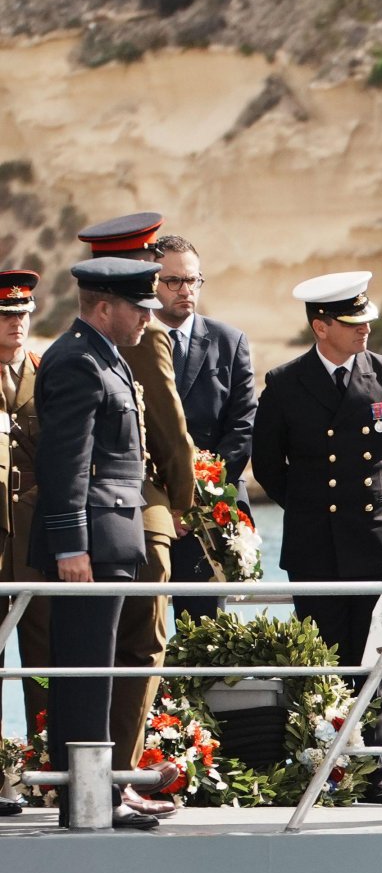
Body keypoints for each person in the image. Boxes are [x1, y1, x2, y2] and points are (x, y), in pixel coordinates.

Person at [251, 270, 382, 805]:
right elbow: (269, 467)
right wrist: (313, 510)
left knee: (375, 663)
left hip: (377, 544)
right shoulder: (284, 382)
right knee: (321, 661)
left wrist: (372, 507)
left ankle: (372, 773)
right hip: (316, 546)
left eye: (366, 320)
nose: (365, 330)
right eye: (352, 323)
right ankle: (323, 769)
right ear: (320, 326)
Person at [30, 257, 166, 831]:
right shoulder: (77, 361)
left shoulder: (105, 356)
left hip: (110, 539)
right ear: (104, 307)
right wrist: (70, 547)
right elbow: (68, 464)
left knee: (94, 669)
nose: (145, 320)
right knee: (86, 671)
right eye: (138, 308)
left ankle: (92, 791)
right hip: (90, 545)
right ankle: (89, 800)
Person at [77, 213, 194, 810]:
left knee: (86, 653)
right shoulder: (142, 332)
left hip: (93, 515)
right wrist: (185, 499)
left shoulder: (82, 334)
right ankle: (114, 777)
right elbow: (169, 432)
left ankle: (85, 779)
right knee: (140, 645)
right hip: (137, 509)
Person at [154, 232, 257, 622]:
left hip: (210, 510)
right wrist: (164, 500)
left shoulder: (229, 341)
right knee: (143, 637)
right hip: (148, 508)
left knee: (206, 633)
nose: (186, 290)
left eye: (193, 280)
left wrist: (197, 499)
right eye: (174, 281)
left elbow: (242, 425)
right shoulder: (130, 343)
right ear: (153, 284)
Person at [0, 269, 47, 814]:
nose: (16, 324)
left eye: (22, 314)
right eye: (7, 315)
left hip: (36, 538)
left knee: (44, 659)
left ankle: (44, 772)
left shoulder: (45, 372)